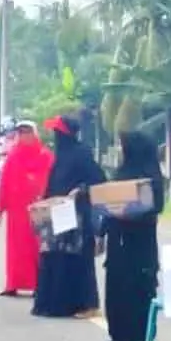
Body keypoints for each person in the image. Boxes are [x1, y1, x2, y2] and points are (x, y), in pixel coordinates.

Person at [32, 114, 107, 319]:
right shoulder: (60, 155)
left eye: (58, 133)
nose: (55, 136)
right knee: (54, 256)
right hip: (57, 210)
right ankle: (54, 304)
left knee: (78, 259)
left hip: (77, 214)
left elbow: (98, 178)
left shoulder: (82, 153)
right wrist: (43, 201)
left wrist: (81, 189)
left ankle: (87, 304)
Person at [102, 131, 166, 341]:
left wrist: (133, 210)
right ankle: (119, 335)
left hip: (140, 241)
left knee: (140, 287)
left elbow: (156, 206)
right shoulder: (122, 172)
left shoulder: (152, 177)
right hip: (118, 240)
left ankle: (142, 336)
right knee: (118, 285)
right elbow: (107, 203)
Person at [0, 121, 53, 297]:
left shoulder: (45, 156)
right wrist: (0, 207)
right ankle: (13, 284)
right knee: (16, 248)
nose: (25, 136)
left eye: (28, 132)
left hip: (39, 208)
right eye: (21, 132)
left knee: (38, 247)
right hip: (17, 210)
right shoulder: (13, 156)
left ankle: (38, 284)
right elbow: (4, 182)